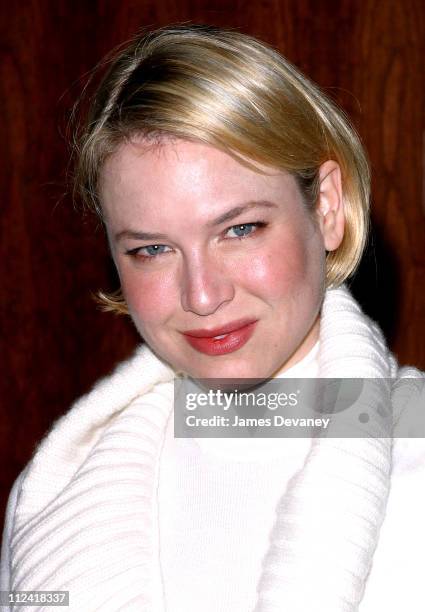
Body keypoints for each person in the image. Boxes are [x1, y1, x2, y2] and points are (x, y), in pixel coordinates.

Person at [1, 24, 424, 612]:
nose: (201, 296)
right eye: (151, 249)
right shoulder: (55, 494)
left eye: (240, 229)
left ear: (326, 207)